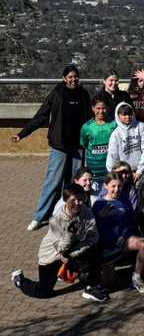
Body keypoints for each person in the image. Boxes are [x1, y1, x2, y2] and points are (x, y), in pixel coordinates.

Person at [12, 65, 91, 231]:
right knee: (53, 182)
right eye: (70, 77)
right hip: (59, 146)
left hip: (77, 147)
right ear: (64, 78)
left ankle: (70, 215)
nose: (73, 79)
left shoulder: (83, 95)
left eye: (76, 76)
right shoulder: (56, 94)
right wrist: (22, 134)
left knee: (73, 184)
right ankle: (40, 216)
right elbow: (41, 116)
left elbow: (91, 120)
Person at [12, 183, 107, 302]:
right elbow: (61, 248)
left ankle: (91, 287)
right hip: (52, 256)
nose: (77, 204)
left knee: (96, 249)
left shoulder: (85, 212)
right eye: (73, 200)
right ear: (65, 200)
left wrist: (72, 254)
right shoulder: (56, 220)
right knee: (44, 292)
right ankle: (20, 280)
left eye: (80, 200)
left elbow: (93, 237)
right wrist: (70, 232)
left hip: (70, 253)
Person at [91, 171, 144, 292]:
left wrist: (124, 236)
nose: (116, 189)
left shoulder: (124, 201)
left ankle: (137, 278)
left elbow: (130, 222)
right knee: (109, 283)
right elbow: (92, 229)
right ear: (105, 186)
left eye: (119, 186)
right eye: (113, 186)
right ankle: (90, 276)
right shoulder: (99, 204)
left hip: (123, 242)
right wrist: (100, 217)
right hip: (107, 248)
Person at [79, 94, 117, 193]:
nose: (101, 111)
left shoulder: (114, 123)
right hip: (94, 168)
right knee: (94, 197)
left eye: (104, 108)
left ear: (108, 108)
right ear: (93, 108)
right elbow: (84, 143)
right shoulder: (87, 126)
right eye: (98, 108)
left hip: (110, 166)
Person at [106, 102, 144, 180]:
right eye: (124, 115)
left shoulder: (141, 127)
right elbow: (112, 156)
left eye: (129, 114)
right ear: (118, 115)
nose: (128, 117)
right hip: (123, 173)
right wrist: (115, 174)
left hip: (140, 170)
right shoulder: (115, 134)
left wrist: (140, 170)